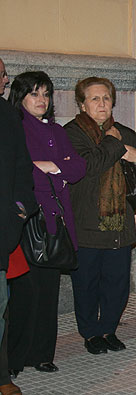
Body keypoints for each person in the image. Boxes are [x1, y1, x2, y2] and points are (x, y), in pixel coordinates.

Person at [65, 77, 136, 354]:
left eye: (106, 98)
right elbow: (87, 167)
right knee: (86, 284)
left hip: (119, 224)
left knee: (117, 285)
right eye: (94, 99)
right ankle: (90, 333)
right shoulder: (71, 134)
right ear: (82, 104)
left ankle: (108, 329)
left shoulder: (124, 133)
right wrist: (112, 143)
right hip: (87, 224)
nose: (102, 103)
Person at [7, 71, 86, 377]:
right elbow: (19, 170)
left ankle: (42, 354)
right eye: (34, 94)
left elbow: (78, 167)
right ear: (21, 97)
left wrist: (50, 167)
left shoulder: (57, 130)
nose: (41, 100)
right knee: (25, 293)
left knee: (49, 292)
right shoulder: (14, 128)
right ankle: (15, 359)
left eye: (45, 94)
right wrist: (54, 169)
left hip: (56, 219)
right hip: (27, 219)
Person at [0, 94, 37, 395]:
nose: (4, 82)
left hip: (2, 229)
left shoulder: (5, 114)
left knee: (1, 307)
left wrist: (20, 212)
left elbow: (22, 169)